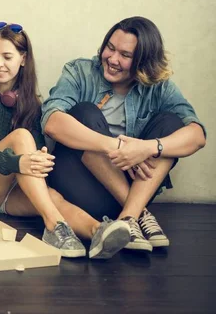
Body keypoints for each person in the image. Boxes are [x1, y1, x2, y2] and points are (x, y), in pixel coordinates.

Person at [0, 22, 131, 259]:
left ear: (23, 59)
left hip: (8, 193)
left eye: (7, 57)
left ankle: (98, 231)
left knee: (53, 197)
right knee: (21, 137)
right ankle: (53, 226)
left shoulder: (30, 99)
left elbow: (37, 150)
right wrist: (18, 164)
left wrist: (34, 161)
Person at [42, 16, 206, 252]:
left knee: (172, 123)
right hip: (80, 189)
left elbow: (197, 135)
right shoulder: (80, 71)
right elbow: (51, 122)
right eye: (110, 47)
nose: (112, 59)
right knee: (84, 113)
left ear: (143, 61)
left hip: (132, 194)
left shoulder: (159, 87)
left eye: (125, 55)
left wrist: (146, 148)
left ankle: (129, 218)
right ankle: (140, 215)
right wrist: (116, 147)